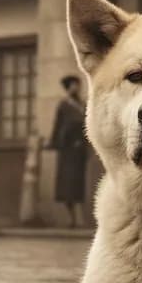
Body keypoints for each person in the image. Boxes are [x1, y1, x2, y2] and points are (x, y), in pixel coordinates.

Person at [49, 75, 88, 227]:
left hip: (80, 151)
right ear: (68, 88)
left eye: (77, 85)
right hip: (67, 150)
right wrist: (54, 143)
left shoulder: (83, 105)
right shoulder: (64, 105)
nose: (76, 88)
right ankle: (71, 218)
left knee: (78, 184)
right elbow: (58, 126)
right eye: (73, 85)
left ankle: (78, 218)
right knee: (67, 184)